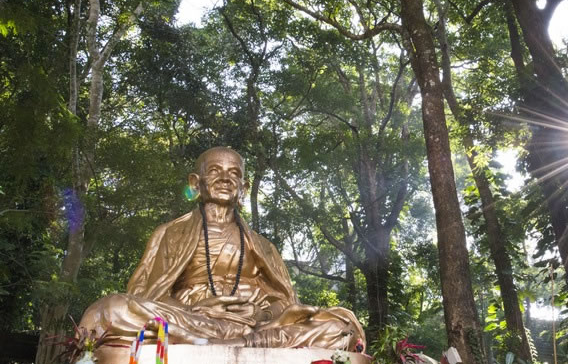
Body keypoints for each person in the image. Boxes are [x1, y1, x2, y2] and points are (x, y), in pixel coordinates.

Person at [78, 147, 364, 350]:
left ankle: (233, 344)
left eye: (234, 173)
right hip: (192, 319)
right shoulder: (171, 233)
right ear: (196, 182)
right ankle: (223, 343)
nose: (225, 178)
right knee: (110, 309)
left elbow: (284, 302)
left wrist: (262, 315)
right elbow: (147, 294)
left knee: (342, 326)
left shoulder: (262, 246)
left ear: (243, 187)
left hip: (255, 326)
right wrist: (196, 307)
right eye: (215, 171)